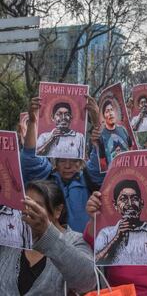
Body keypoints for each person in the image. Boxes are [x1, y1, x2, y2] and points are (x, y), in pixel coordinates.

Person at [21, 96, 104, 232]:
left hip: (82, 247)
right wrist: (33, 121)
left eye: (74, 161)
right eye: (62, 161)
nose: (67, 166)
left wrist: (96, 121)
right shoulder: (47, 176)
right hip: (48, 245)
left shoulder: (89, 176)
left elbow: (102, 162)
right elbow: (30, 157)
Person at [0, 180, 95, 295]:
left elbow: (88, 282)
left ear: (57, 211)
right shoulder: (12, 239)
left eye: (36, 207)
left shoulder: (75, 241)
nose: (27, 211)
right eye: (25, 205)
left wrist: (47, 233)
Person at [95, 179, 147, 266]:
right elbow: (95, 263)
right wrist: (116, 238)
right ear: (115, 206)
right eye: (123, 199)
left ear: (141, 204)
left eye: (134, 199)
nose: (130, 203)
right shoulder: (106, 234)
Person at [98, 100, 133, 171]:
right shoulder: (101, 135)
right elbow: (101, 161)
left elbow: (130, 148)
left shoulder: (123, 129)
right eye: (107, 111)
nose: (110, 113)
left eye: (111, 110)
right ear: (104, 116)